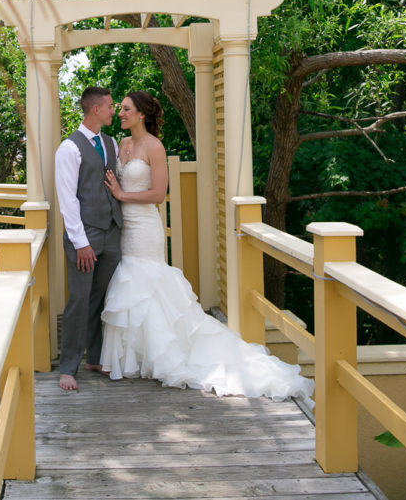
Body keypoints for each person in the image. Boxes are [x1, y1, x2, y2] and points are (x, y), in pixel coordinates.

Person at [101, 91, 314, 402]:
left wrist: (122, 195)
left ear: (142, 114)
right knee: (131, 283)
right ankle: (138, 355)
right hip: (124, 227)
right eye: (120, 109)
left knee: (147, 280)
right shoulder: (122, 144)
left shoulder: (154, 147)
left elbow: (158, 194)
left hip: (145, 227)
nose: (120, 113)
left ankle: (169, 354)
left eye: (126, 109)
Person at [54, 86, 124, 391]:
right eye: (110, 106)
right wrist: (80, 242)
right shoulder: (69, 148)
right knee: (80, 300)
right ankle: (68, 368)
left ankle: (95, 358)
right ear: (95, 109)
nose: (113, 111)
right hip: (85, 235)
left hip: (112, 232)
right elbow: (67, 198)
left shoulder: (111, 143)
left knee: (102, 297)